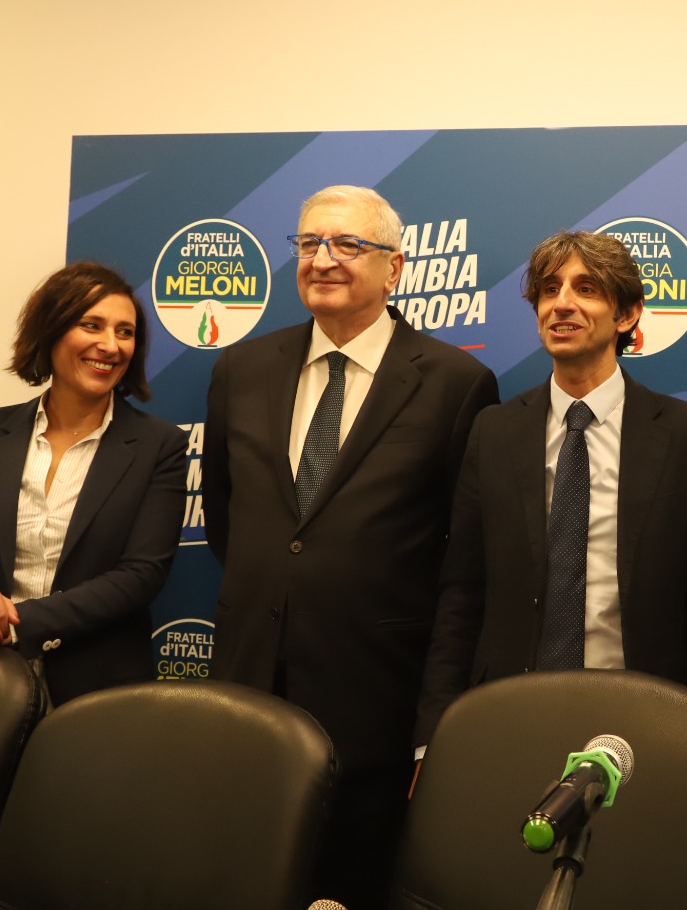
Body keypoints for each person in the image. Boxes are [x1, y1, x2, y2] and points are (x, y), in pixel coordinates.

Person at [202, 184, 498, 909]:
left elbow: (462, 561)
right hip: (248, 691)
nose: (323, 260)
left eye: (347, 245)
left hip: (375, 708)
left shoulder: (456, 384)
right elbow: (227, 519)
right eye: (310, 244)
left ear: (394, 268)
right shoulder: (241, 370)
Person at [413, 231, 687, 751]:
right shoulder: (494, 431)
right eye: (549, 289)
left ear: (627, 314)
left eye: (586, 289)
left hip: (643, 719)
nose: (561, 303)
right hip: (508, 715)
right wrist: (432, 739)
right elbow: (462, 594)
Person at [0, 262, 185, 705]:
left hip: (99, 691)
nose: (110, 345)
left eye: (125, 332)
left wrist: (9, 625)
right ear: (51, 330)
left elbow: (140, 576)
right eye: (91, 325)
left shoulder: (160, 446)